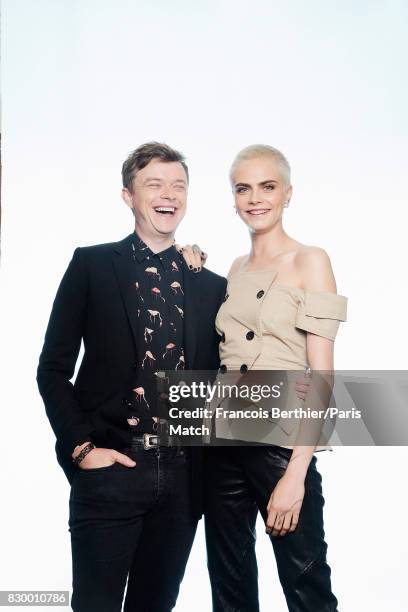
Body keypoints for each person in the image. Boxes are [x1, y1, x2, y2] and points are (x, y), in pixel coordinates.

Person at [36, 142, 227, 612]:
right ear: (128, 196)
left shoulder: (211, 284)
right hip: (112, 470)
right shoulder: (92, 265)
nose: (169, 195)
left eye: (178, 185)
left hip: (184, 482)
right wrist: (81, 448)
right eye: (154, 184)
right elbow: (53, 368)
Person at [202, 145, 347, 611]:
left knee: (306, 586)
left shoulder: (310, 260)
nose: (255, 198)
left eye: (267, 186)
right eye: (243, 188)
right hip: (224, 438)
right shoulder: (234, 268)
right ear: (233, 198)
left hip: (280, 445)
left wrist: (296, 474)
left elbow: (322, 375)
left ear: (288, 193)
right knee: (229, 586)